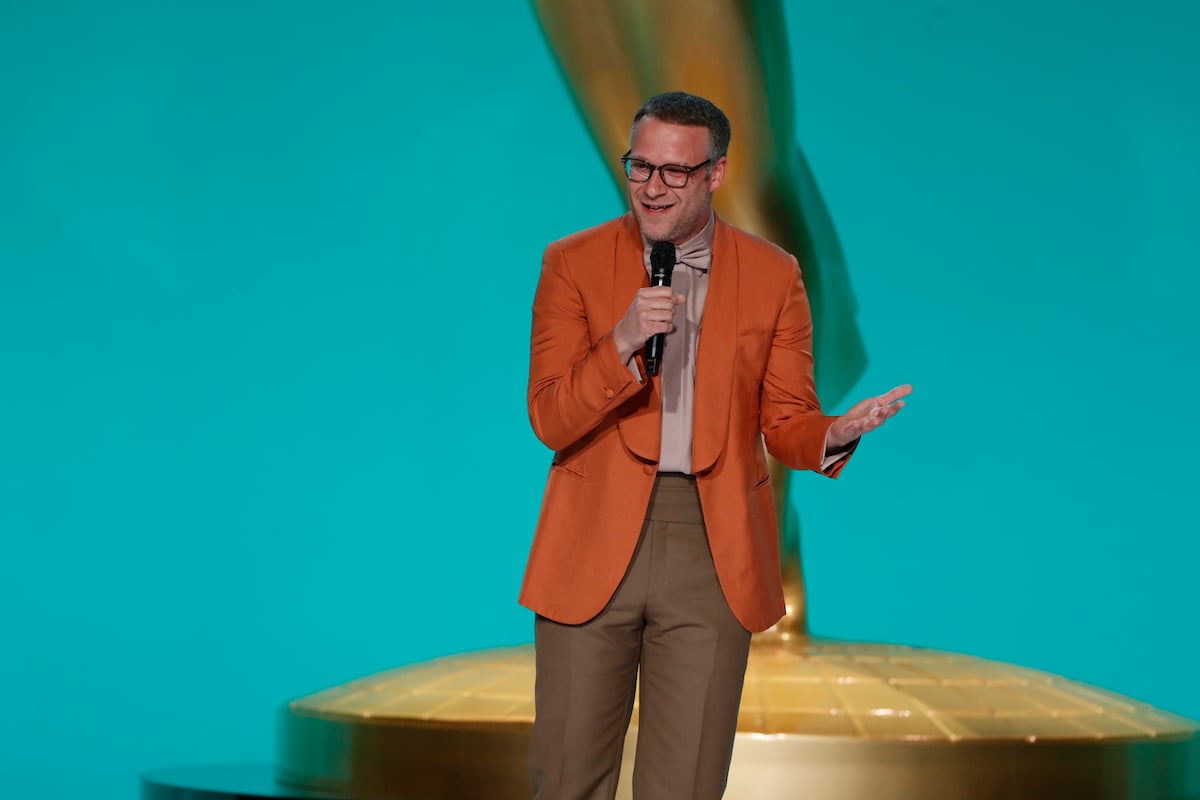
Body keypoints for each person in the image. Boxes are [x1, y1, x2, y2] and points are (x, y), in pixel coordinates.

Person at [520, 91, 910, 800]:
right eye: (641, 166)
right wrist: (624, 340)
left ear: (716, 173)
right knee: (568, 777)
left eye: (675, 171)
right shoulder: (571, 262)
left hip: (712, 544)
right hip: (592, 539)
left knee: (687, 784)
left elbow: (785, 418)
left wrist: (833, 433)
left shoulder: (773, 274)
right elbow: (549, 416)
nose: (653, 187)